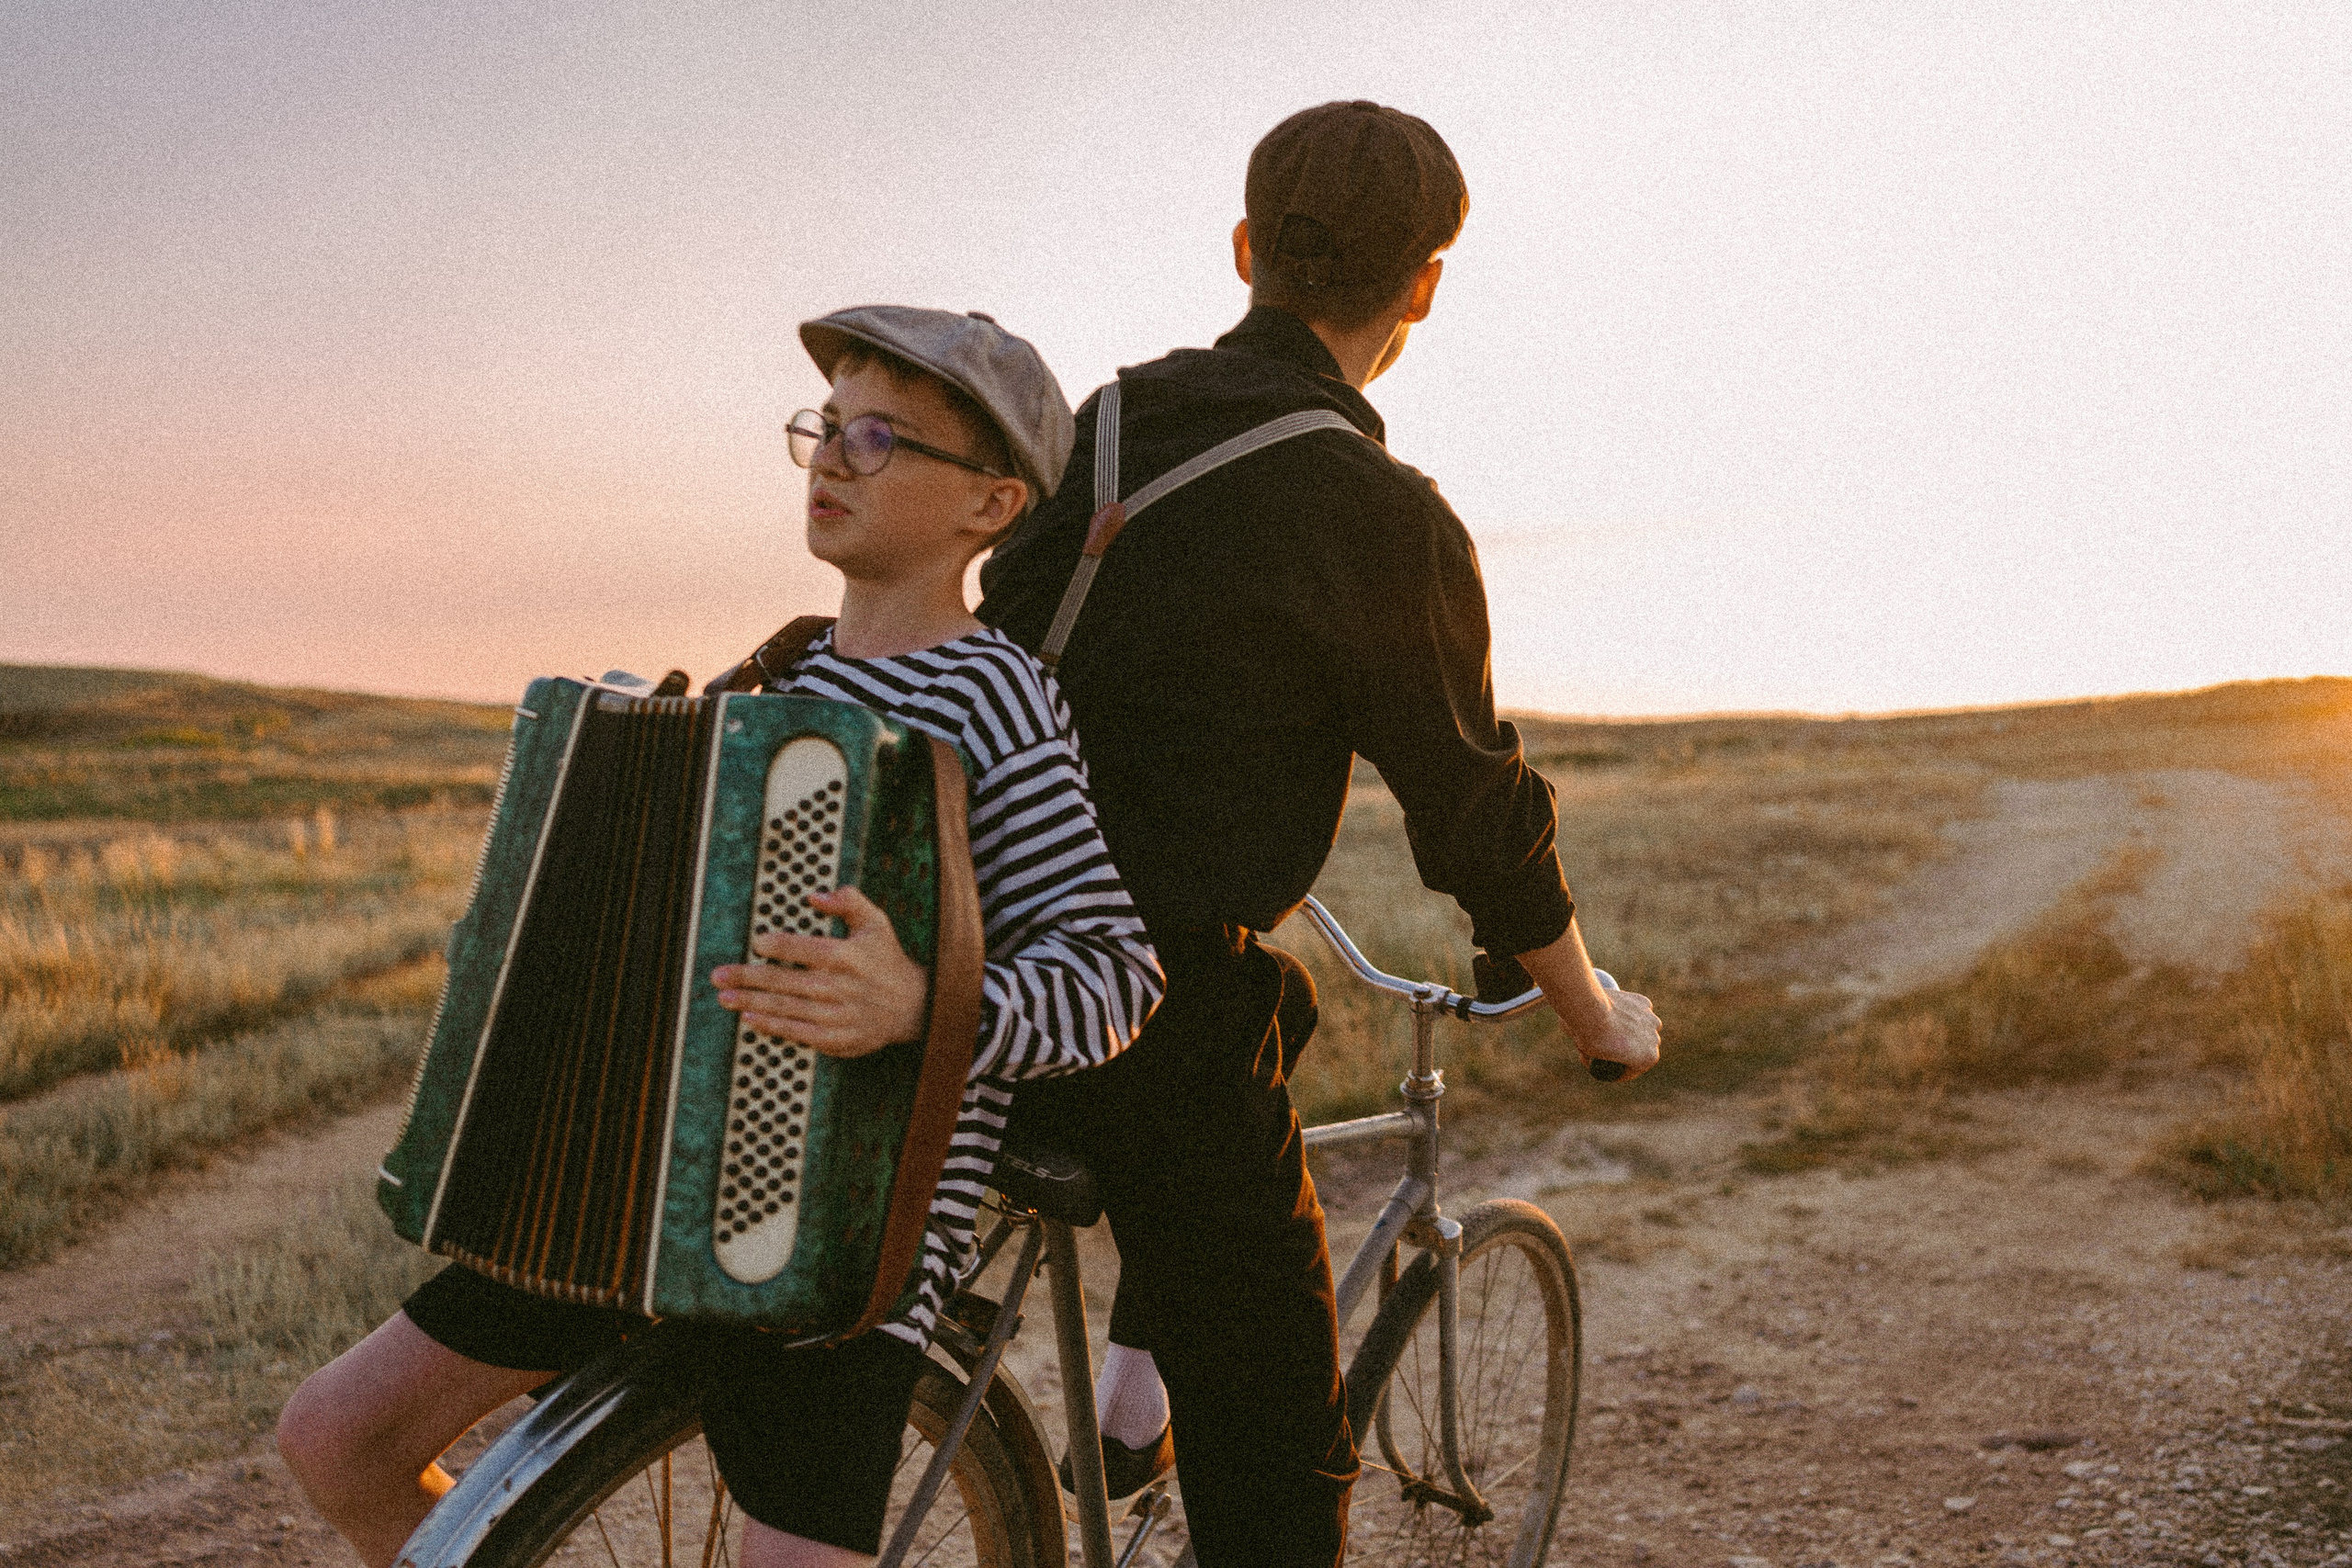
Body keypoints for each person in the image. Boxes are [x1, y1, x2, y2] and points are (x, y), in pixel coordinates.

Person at [277, 307, 1164, 1568]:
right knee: (336, 1437)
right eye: (824, 428)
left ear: (989, 503)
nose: (832, 459)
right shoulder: (771, 689)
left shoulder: (994, 695)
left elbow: (1113, 971)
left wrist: (922, 1004)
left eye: (879, 437)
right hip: (626, 1212)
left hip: (835, 1268)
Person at [977, 101, 1663, 1566]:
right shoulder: (1380, 513)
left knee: (1270, 1011)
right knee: (1286, 1485)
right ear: (1424, 284)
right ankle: (1162, 1420)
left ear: (1244, 250)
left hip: (958, 949)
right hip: (1146, 1010)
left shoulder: (1098, 429)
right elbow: (1478, 813)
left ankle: (1127, 1400)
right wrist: (1592, 1014)